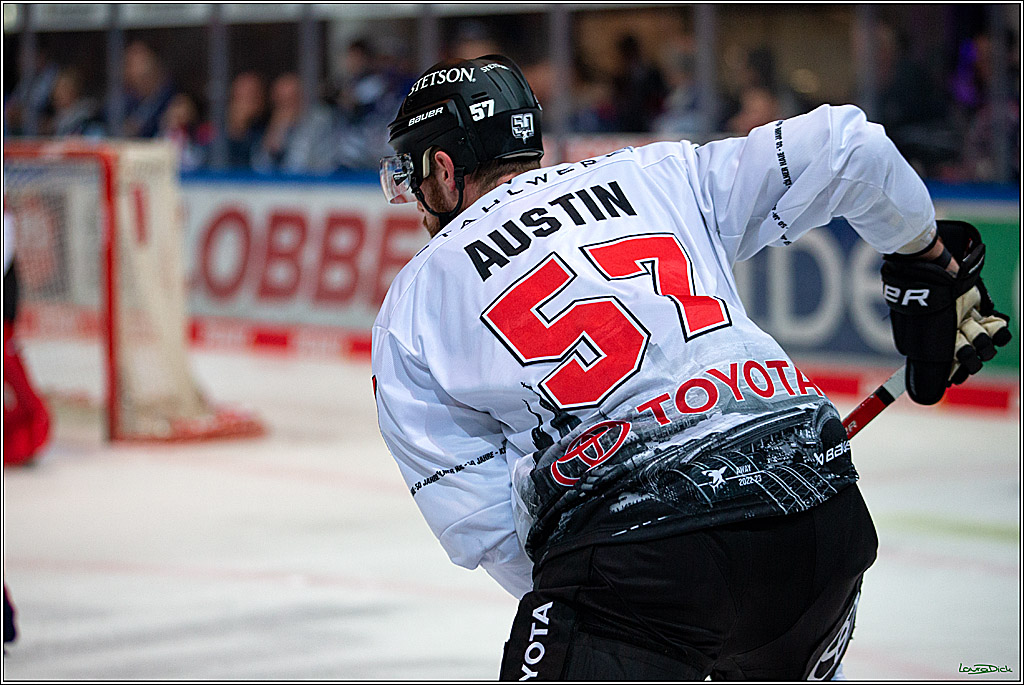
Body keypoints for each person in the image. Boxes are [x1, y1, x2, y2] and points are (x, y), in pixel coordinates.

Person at [371, 55, 1011, 680]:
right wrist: (927, 262)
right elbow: (851, 147)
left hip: (636, 561)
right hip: (818, 519)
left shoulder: (412, 305)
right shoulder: (659, 171)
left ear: (444, 168)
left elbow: (481, 523)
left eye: (415, 177)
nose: (417, 202)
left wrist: (613, 629)